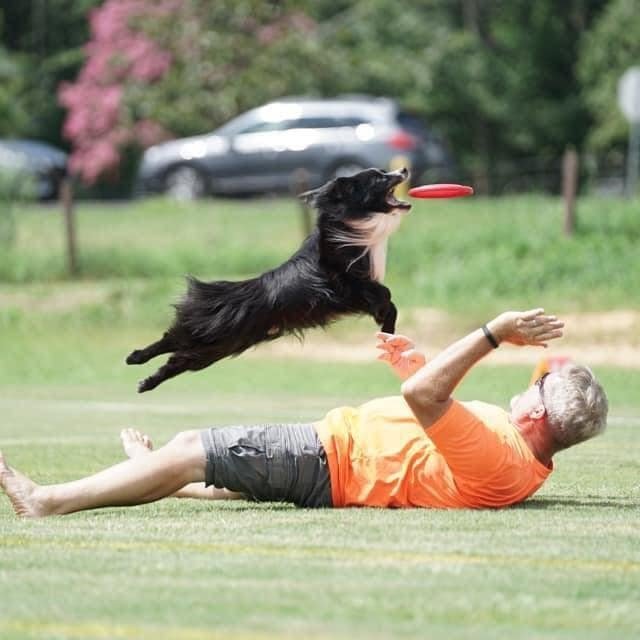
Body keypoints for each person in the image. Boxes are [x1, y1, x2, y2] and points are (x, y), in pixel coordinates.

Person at [0, 308, 608, 518]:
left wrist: (492, 333)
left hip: (332, 459)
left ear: (536, 415)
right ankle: (152, 470)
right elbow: (434, 418)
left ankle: (48, 500)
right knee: (219, 479)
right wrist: (415, 367)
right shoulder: (522, 455)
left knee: (192, 447)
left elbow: (427, 403)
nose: (529, 386)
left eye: (537, 387)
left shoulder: (503, 458)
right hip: (338, 466)